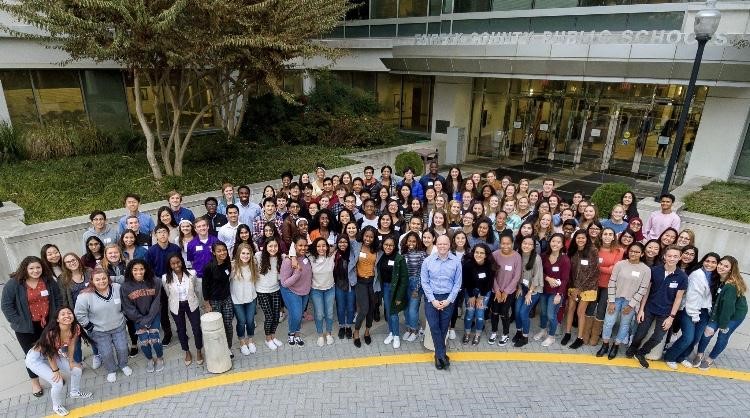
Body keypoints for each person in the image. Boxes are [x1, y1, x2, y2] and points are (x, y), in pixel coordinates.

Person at [2, 256, 63, 397]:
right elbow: (6, 306)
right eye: (31, 268)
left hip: (48, 324)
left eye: (38, 267)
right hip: (26, 328)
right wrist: (18, 321)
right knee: (31, 355)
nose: (35, 270)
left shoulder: (48, 281)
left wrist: (55, 318)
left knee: (50, 349)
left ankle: (55, 375)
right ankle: (35, 382)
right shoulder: (14, 284)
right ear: (25, 269)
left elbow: (58, 298)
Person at [626, 245, 688, 368]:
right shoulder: (654, 271)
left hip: (666, 312)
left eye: (675, 256)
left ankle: (641, 352)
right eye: (669, 256)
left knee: (658, 337)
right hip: (649, 308)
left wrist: (671, 317)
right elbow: (646, 291)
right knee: (640, 333)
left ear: (680, 257)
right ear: (664, 256)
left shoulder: (682, 277)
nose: (672, 258)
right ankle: (633, 347)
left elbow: (678, 298)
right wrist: (641, 310)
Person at [25, 307, 93, 416]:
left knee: (77, 369)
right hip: (36, 358)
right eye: (63, 314)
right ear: (57, 319)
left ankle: (74, 392)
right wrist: (55, 371)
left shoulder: (75, 327)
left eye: (69, 313)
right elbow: (49, 354)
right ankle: (57, 406)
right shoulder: (52, 333)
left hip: (52, 354)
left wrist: (71, 361)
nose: (67, 315)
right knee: (57, 382)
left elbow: (71, 345)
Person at [74, 268, 132, 383]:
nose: (101, 281)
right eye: (97, 279)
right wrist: (89, 327)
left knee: (123, 348)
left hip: (118, 326)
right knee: (106, 353)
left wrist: (125, 316)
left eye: (104, 278)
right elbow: (79, 313)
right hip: (99, 331)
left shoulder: (117, 288)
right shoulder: (85, 295)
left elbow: (126, 302)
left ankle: (123, 365)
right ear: (92, 281)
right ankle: (111, 370)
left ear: (108, 278)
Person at [663, 252, 720, 369]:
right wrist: (694, 315)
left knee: (696, 338)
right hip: (690, 309)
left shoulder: (715, 277)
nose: (710, 264)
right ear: (703, 261)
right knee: (688, 337)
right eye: (707, 261)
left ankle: (681, 357)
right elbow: (692, 297)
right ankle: (670, 356)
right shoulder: (697, 275)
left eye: (713, 262)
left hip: (704, 311)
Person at [597, 242, 651, 360]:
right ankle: (605, 344)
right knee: (608, 322)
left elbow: (643, 289)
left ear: (642, 254)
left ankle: (616, 345)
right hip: (615, 299)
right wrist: (611, 301)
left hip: (630, 302)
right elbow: (612, 282)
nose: (633, 253)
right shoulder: (620, 264)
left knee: (625, 324)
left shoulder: (646, 270)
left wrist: (631, 305)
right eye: (631, 251)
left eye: (637, 252)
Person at [694, 256, 747, 370]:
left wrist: (723, 325)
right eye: (721, 264)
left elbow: (728, 308)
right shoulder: (719, 278)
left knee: (723, 336)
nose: (721, 267)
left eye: (726, 266)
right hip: (719, 310)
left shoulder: (730, 286)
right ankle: (699, 354)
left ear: (731, 269)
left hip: (733, 315)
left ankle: (710, 359)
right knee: (707, 332)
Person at [421, 235, 462, 370]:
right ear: (436, 244)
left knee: (444, 327)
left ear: (450, 245)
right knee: (434, 326)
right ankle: (441, 355)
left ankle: (438, 357)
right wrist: (432, 300)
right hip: (431, 297)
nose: (442, 246)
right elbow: (424, 282)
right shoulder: (428, 261)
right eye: (440, 244)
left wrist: (449, 300)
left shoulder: (456, 262)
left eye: (445, 244)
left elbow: (457, 283)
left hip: (448, 298)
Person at [120, 260, 165, 372]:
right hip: (138, 319)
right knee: (144, 342)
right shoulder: (125, 287)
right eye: (135, 269)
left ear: (146, 269)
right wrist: (141, 320)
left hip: (153, 316)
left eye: (141, 269)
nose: (138, 272)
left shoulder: (156, 281)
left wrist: (149, 318)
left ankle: (159, 358)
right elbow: (128, 307)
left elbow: (157, 302)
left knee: (155, 339)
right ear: (130, 271)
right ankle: (150, 359)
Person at [162, 253, 204, 366]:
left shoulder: (192, 274)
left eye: (178, 262)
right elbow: (168, 293)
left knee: (196, 329)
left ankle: (199, 350)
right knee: (181, 330)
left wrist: (200, 303)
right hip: (176, 306)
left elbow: (196, 289)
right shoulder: (165, 277)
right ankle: (186, 351)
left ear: (182, 262)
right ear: (169, 265)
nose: (176, 265)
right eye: (173, 263)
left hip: (191, 304)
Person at [561, 230, 600, 349]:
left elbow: (593, 271)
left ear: (587, 239)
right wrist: (572, 287)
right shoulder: (572, 250)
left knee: (580, 312)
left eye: (583, 238)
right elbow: (569, 269)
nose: (580, 240)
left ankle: (580, 338)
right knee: (570, 309)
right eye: (578, 238)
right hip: (573, 285)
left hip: (588, 287)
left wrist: (579, 288)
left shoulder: (592, 251)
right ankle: (567, 333)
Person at [146, 224, 180, 346]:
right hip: (159, 284)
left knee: (178, 307)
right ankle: (168, 333)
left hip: (175, 282)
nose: (162, 234)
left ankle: (181, 330)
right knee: (163, 311)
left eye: (164, 232)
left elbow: (179, 265)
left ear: (168, 233)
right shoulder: (151, 251)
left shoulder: (175, 248)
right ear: (155, 235)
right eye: (159, 232)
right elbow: (149, 270)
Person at [533, 234, 570, 347]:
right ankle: (543, 330)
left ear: (562, 245)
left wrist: (559, 294)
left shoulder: (565, 260)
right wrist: (547, 278)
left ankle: (551, 336)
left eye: (558, 242)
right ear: (550, 242)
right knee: (543, 313)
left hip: (556, 292)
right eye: (553, 241)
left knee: (551, 315)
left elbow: (565, 279)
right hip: (544, 290)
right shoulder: (543, 256)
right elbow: (538, 272)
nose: (555, 244)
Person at [349, 226, 381, 347]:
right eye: (366, 236)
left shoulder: (378, 249)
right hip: (360, 282)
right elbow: (341, 243)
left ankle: (367, 332)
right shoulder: (356, 245)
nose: (368, 238)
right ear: (362, 235)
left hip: (372, 282)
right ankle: (356, 332)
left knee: (371, 308)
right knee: (363, 309)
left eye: (371, 237)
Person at [489, 234, 522, 346]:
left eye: (508, 243)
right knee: (494, 312)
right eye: (503, 243)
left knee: (504, 313)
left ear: (512, 243)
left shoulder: (517, 256)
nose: (505, 246)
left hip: (510, 291)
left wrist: (506, 291)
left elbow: (517, 276)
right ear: (500, 244)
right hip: (496, 290)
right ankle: (494, 332)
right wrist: (497, 290)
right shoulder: (495, 255)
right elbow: (491, 274)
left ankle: (505, 334)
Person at [202, 242, 235, 354]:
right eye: (219, 251)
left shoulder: (227, 263)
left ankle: (228, 348)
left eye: (224, 250)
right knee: (217, 326)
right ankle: (220, 348)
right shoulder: (209, 267)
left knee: (228, 325)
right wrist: (207, 304)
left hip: (226, 299)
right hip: (214, 301)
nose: (222, 253)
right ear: (214, 253)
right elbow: (205, 286)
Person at [280, 236, 313, 346]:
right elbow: (284, 283)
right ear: (294, 247)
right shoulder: (288, 261)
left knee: (296, 315)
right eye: (300, 245)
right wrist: (297, 273)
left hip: (305, 292)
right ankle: (291, 333)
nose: (303, 248)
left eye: (305, 245)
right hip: (291, 291)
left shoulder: (306, 257)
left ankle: (297, 333)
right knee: (297, 315)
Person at [462, 243, 497, 346]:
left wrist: (481, 297)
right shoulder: (467, 264)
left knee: (480, 315)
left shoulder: (490, 265)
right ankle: (467, 333)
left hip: (484, 292)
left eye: (482, 253)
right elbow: (466, 282)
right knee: (469, 314)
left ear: (486, 255)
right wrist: (472, 296)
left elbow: (489, 283)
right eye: (477, 252)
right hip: (470, 291)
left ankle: (477, 335)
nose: (479, 255)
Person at [512, 236, 544, 347]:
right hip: (522, 287)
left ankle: (525, 337)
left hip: (533, 290)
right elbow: (517, 274)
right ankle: (518, 332)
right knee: (516, 311)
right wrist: (519, 288)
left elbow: (537, 278)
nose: (526, 246)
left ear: (533, 246)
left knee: (523, 313)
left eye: (530, 244)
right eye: (524, 243)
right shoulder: (518, 255)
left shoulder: (536, 258)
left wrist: (530, 293)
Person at [379, 236, 408, 349]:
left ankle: (396, 336)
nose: (388, 247)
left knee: (394, 312)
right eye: (386, 245)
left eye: (391, 245)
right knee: (388, 312)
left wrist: (399, 296)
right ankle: (391, 332)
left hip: (395, 288)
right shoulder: (381, 256)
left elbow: (404, 279)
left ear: (395, 246)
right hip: (385, 287)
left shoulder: (399, 258)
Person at [309, 238, 337, 346]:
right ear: (315, 247)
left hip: (330, 289)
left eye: (324, 245)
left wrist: (332, 248)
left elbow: (339, 244)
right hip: (316, 290)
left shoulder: (331, 256)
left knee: (329, 313)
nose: (321, 248)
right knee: (319, 314)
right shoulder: (311, 257)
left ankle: (328, 333)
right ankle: (320, 334)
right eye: (318, 246)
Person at [333, 235, 355, 340]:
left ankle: (348, 326)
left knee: (350, 308)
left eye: (345, 242)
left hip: (351, 284)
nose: (342, 244)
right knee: (341, 307)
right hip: (339, 284)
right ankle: (342, 326)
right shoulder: (334, 254)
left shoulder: (352, 253)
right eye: (340, 242)